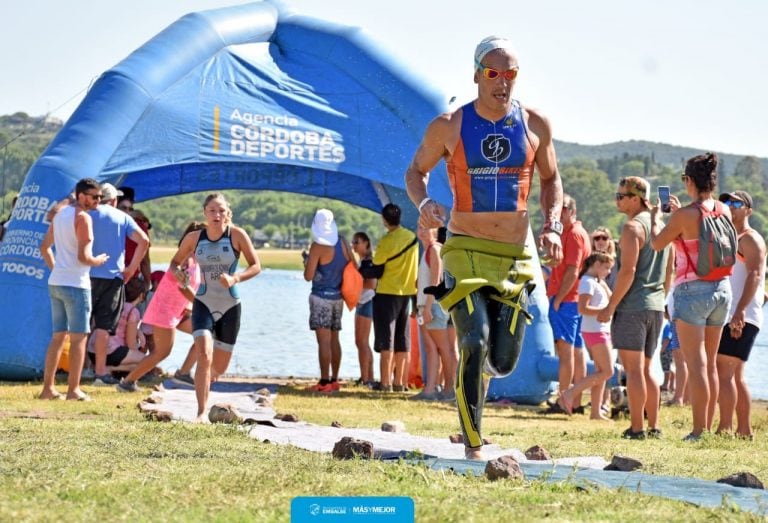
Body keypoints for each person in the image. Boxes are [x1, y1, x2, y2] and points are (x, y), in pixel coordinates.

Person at [404, 36, 563, 459]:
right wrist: (424, 204)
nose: (502, 82)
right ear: (476, 75)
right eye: (493, 73)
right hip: (464, 249)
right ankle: (473, 445)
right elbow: (415, 172)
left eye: (510, 74)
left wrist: (553, 224)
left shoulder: (534, 124)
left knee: (504, 361)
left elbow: (550, 180)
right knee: (472, 341)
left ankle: (485, 376)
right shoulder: (449, 125)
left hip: (513, 257)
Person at [649, 154, 734, 441]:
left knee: (695, 366)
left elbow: (658, 243)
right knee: (709, 364)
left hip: (691, 291)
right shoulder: (723, 209)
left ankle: (698, 431)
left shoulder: (684, 215)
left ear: (688, 180)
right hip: (722, 289)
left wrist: (655, 218)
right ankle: (706, 427)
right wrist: (678, 215)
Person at [170, 194, 260, 421]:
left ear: (228, 213)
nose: (217, 215)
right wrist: (178, 273)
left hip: (230, 305)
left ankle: (209, 385)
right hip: (203, 302)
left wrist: (235, 278)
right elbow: (174, 263)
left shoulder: (237, 235)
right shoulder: (194, 238)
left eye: (221, 210)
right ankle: (201, 412)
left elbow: (256, 266)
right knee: (203, 353)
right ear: (205, 213)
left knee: (217, 368)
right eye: (212, 210)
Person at [598, 176, 671, 440]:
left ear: (635, 198)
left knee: (634, 370)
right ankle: (655, 426)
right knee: (649, 368)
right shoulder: (661, 226)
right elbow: (669, 273)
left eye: (620, 196)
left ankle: (637, 427)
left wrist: (610, 306)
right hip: (655, 306)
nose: (616, 200)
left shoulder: (631, 228)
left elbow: (627, 272)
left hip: (633, 307)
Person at [38, 178, 109, 401]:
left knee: (58, 337)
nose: (98, 200)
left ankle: (48, 389)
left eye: (100, 197)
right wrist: (98, 260)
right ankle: (73, 390)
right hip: (76, 285)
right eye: (94, 196)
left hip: (57, 283)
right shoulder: (83, 218)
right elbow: (83, 257)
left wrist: (57, 268)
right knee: (79, 339)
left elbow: (44, 247)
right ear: (81, 196)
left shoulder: (60, 215)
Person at [117, 222, 206, 392]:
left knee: (206, 333)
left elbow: (187, 289)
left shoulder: (195, 260)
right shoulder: (186, 260)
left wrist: (190, 305)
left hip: (179, 311)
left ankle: (184, 373)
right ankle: (127, 382)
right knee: (162, 352)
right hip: (165, 312)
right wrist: (200, 304)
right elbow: (182, 287)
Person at [715, 190, 765, 438]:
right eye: (726, 202)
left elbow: (756, 276)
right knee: (733, 373)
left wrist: (740, 311)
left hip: (740, 315)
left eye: (736, 203)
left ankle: (726, 428)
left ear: (748, 210)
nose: (730, 206)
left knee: (724, 371)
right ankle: (743, 430)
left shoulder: (750, 238)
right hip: (731, 313)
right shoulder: (729, 237)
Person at [89, 183, 149, 386]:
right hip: (112, 278)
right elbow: (144, 241)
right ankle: (100, 373)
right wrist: (131, 268)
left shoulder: (86, 214)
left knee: (84, 326)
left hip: (85, 275)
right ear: (114, 200)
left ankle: (81, 369)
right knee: (105, 327)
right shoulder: (122, 217)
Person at [548, 194, 591, 412]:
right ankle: (573, 401)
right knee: (575, 351)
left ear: (572, 211)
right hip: (572, 299)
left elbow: (573, 270)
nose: (559, 212)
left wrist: (559, 298)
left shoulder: (574, 234)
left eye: (563, 208)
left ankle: (563, 401)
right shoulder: (573, 233)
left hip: (567, 300)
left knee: (565, 353)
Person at [559, 252, 615, 420]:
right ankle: (569, 393)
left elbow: (612, 300)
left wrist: (604, 284)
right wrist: (605, 311)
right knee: (608, 371)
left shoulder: (597, 282)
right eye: (606, 267)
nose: (608, 272)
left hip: (601, 329)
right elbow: (582, 309)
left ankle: (595, 412)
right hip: (595, 330)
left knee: (600, 371)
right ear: (596, 264)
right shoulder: (587, 282)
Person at [369, 203, 418, 393]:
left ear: (384, 220)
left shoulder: (387, 240)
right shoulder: (412, 238)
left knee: (386, 340)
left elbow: (377, 262)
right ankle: (399, 383)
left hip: (387, 293)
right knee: (402, 340)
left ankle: (385, 383)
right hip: (406, 294)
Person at [303, 209, 353, 392]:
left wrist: (308, 262)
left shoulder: (317, 246)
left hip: (320, 298)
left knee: (323, 341)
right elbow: (352, 266)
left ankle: (324, 382)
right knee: (335, 339)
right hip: (338, 297)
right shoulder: (343, 242)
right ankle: (334, 379)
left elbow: (308, 276)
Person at [412, 224, 456, 401]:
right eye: (420, 228)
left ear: (434, 231)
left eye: (426, 228)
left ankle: (449, 388)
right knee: (432, 349)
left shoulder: (434, 249)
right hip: (427, 305)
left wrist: (428, 306)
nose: (422, 231)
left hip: (433, 306)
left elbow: (436, 280)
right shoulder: (428, 250)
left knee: (443, 349)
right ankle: (431, 389)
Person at [87, 277, 148, 372]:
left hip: (92, 351)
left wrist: (138, 331)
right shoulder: (133, 311)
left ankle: (96, 366)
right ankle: (110, 369)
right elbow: (130, 343)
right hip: (111, 352)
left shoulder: (112, 304)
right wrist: (137, 354)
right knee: (148, 362)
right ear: (141, 295)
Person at [351, 231, 376, 387]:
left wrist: (354, 285)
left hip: (367, 301)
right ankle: (368, 377)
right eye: (353, 242)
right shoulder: (363, 261)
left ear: (366, 243)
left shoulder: (369, 261)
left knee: (362, 342)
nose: (354, 245)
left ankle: (366, 379)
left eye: (357, 242)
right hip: (362, 301)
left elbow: (371, 284)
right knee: (360, 342)